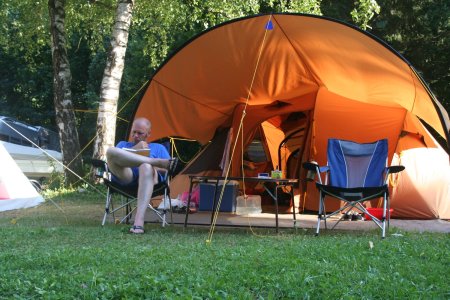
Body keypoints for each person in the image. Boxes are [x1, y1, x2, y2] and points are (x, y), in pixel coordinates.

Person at [106, 117, 173, 234]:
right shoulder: (123, 144)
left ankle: (138, 222)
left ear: (148, 133)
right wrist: (135, 149)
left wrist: (150, 166)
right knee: (111, 151)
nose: (135, 136)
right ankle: (153, 161)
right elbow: (113, 159)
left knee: (145, 166)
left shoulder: (158, 148)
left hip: (148, 178)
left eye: (140, 133)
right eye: (134, 132)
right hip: (127, 176)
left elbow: (168, 168)